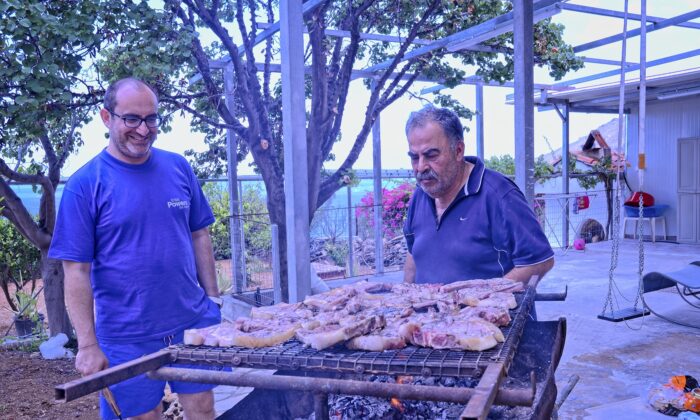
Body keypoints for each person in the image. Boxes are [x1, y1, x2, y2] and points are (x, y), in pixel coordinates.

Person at [49, 77, 221, 420]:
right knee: (144, 417)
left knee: (203, 410)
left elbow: (199, 234)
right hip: (127, 335)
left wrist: (214, 301)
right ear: (106, 118)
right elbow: (76, 270)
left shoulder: (178, 167)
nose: (143, 130)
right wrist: (86, 344)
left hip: (191, 322)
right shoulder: (85, 185)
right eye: (131, 119)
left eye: (151, 119)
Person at [402, 105, 554, 285]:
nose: (420, 167)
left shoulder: (499, 195)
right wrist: (406, 301)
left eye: (431, 155)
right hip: (430, 314)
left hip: (491, 313)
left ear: (458, 151)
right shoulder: (420, 195)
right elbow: (413, 255)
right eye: (414, 157)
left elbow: (541, 261)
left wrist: (482, 302)